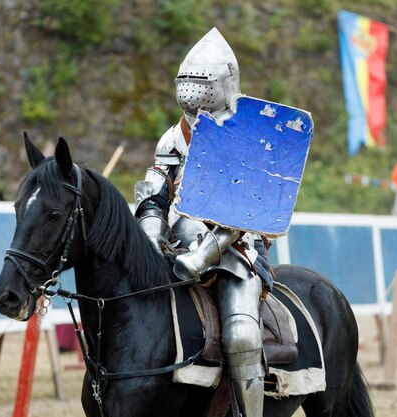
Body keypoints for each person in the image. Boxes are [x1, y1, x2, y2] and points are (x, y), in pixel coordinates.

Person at [134, 28, 272, 417]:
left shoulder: (247, 137)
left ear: (223, 85)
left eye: (203, 87)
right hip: (173, 244)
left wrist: (203, 255)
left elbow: (247, 211)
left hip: (235, 250)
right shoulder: (172, 138)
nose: (195, 97)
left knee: (242, 335)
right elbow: (155, 192)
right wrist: (149, 234)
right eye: (189, 87)